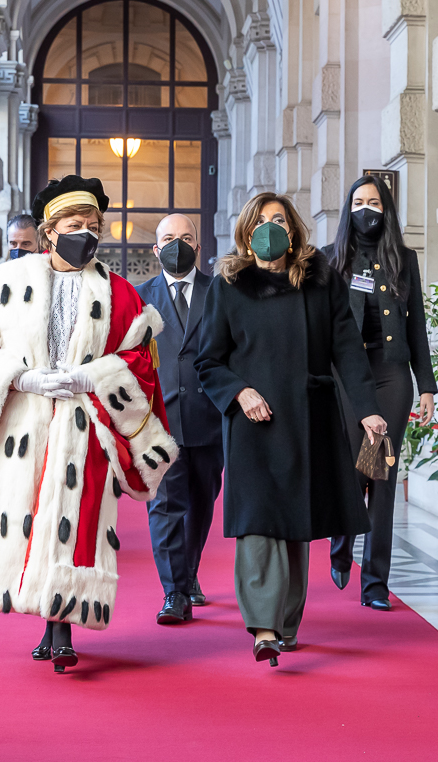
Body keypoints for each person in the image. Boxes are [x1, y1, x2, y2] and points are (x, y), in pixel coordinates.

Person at [0, 175, 177, 673]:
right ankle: (47, 621)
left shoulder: (120, 293)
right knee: (32, 519)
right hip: (26, 424)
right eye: (75, 225)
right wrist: (24, 378)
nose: (87, 233)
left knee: (75, 522)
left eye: (94, 226)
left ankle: (62, 629)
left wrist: (93, 375)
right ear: (49, 232)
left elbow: (143, 364)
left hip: (87, 427)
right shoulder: (6, 286)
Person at [194, 192, 387, 666]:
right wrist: (239, 392)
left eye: (278, 219)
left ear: (294, 229)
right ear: (246, 231)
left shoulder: (321, 281)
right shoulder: (229, 284)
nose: (270, 227)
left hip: (307, 418)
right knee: (259, 526)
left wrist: (366, 408)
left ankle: (285, 624)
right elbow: (208, 361)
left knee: (296, 527)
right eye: (261, 220)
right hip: (253, 425)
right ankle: (262, 629)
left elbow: (347, 348)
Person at [325, 175, 437, 609]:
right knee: (354, 471)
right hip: (347, 377)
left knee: (382, 476)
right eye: (358, 201)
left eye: (374, 201)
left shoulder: (403, 258)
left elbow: (415, 329)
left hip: (391, 376)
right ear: (348, 209)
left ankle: (375, 582)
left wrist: (426, 387)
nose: (366, 209)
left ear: (386, 208)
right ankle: (341, 542)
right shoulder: (332, 259)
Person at [136, 214, 224, 624]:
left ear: (199, 248)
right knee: (166, 506)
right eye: (169, 238)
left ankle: (188, 574)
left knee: (202, 505)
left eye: (186, 238)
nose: (177, 244)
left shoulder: (221, 292)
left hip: (209, 419)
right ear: (156, 249)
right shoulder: (139, 298)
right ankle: (174, 592)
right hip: (158, 422)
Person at [0, 214, 39, 300]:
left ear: (38, 244)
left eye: (25, 244)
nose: (18, 249)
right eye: (13, 244)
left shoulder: (48, 277)